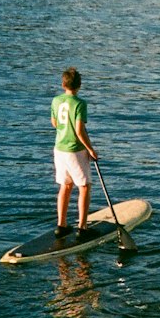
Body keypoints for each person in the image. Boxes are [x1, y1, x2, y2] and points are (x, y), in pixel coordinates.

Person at [51, 67, 98, 238]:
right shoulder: (80, 103)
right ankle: (82, 228)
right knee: (84, 187)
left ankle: (61, 225)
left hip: (59, 149)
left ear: (63, 84)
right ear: (79, 85)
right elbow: (79, 131)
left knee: (66, 185)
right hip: (74, 150)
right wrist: (91, 149)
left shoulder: (56, 101)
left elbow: (55, 123)